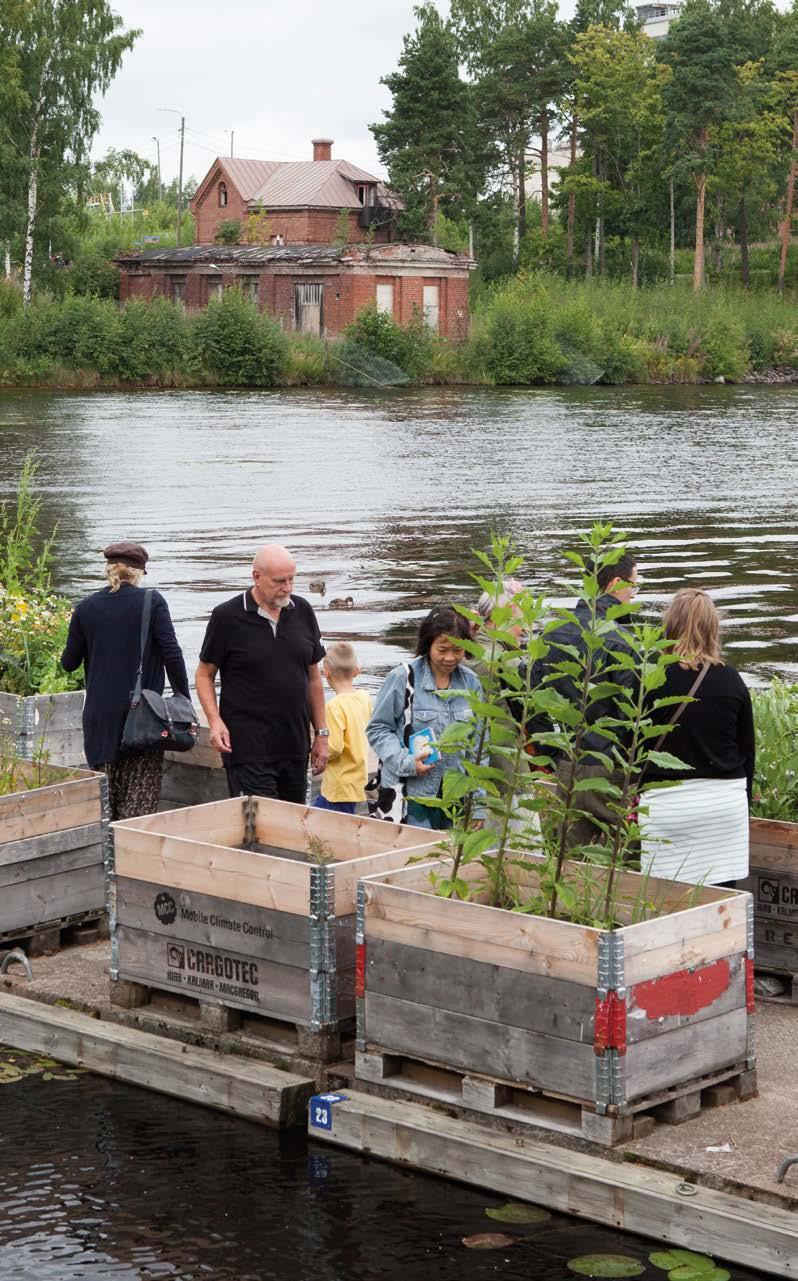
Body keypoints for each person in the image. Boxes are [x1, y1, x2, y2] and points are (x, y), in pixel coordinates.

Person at [61, 541, 189, 821]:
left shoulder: (85, 608)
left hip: (99, 720)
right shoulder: (151, 602)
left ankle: (108, 863)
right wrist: (182, 698)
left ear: (109, 570)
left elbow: (68, 663)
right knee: (136, 816)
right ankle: (127, 863)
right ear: (139, 572)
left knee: (106, 812)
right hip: (142, 720)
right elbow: (172, 653)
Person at [195, 544, 328, 804]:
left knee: (291, 827)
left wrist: (321, 734)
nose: (288, 588)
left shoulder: (302, 611)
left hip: (295, 744)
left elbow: (314, 677)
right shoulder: (227, 617)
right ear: (256, 576)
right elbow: (204, 674)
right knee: (258, 828)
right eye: (280, 581)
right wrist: (214, 721)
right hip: (248, 747)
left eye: (291, 579)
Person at [640, 588, 755, 886]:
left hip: (668, 805)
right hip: (723, 804)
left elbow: (636, 746)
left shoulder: (652, 678)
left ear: (668, 626)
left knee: (663, 901)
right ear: (714, 628)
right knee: (721, 905)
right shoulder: (732, 679)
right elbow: (747, 751)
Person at [531, 550, 639, 850]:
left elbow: (533, 700)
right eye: (633, 585)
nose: (633, 593)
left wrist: (550, 753)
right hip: (608, 768)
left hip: (567, 763)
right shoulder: (622, 639)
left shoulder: (552, 633)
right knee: (625, 856)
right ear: (615, 583)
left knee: (566, 857)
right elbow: (631, 712)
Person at [367, 605, 481, 830]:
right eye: (442, 649)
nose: (450, 657)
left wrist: (479, 804)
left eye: (458, 650)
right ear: (428, 644)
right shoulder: (403, 678)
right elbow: (378, 729)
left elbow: (479, 747)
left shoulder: (471, 683)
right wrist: (406, 762)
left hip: (454, 798)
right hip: (411, 796)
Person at [313, 641, 372, 815]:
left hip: (338, 785)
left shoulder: (334, 706)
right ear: (357, 670)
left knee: (317, 822)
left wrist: (315, 751)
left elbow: (334, 747)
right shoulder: (364, 697)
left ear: (326, 673)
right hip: (357, 779)